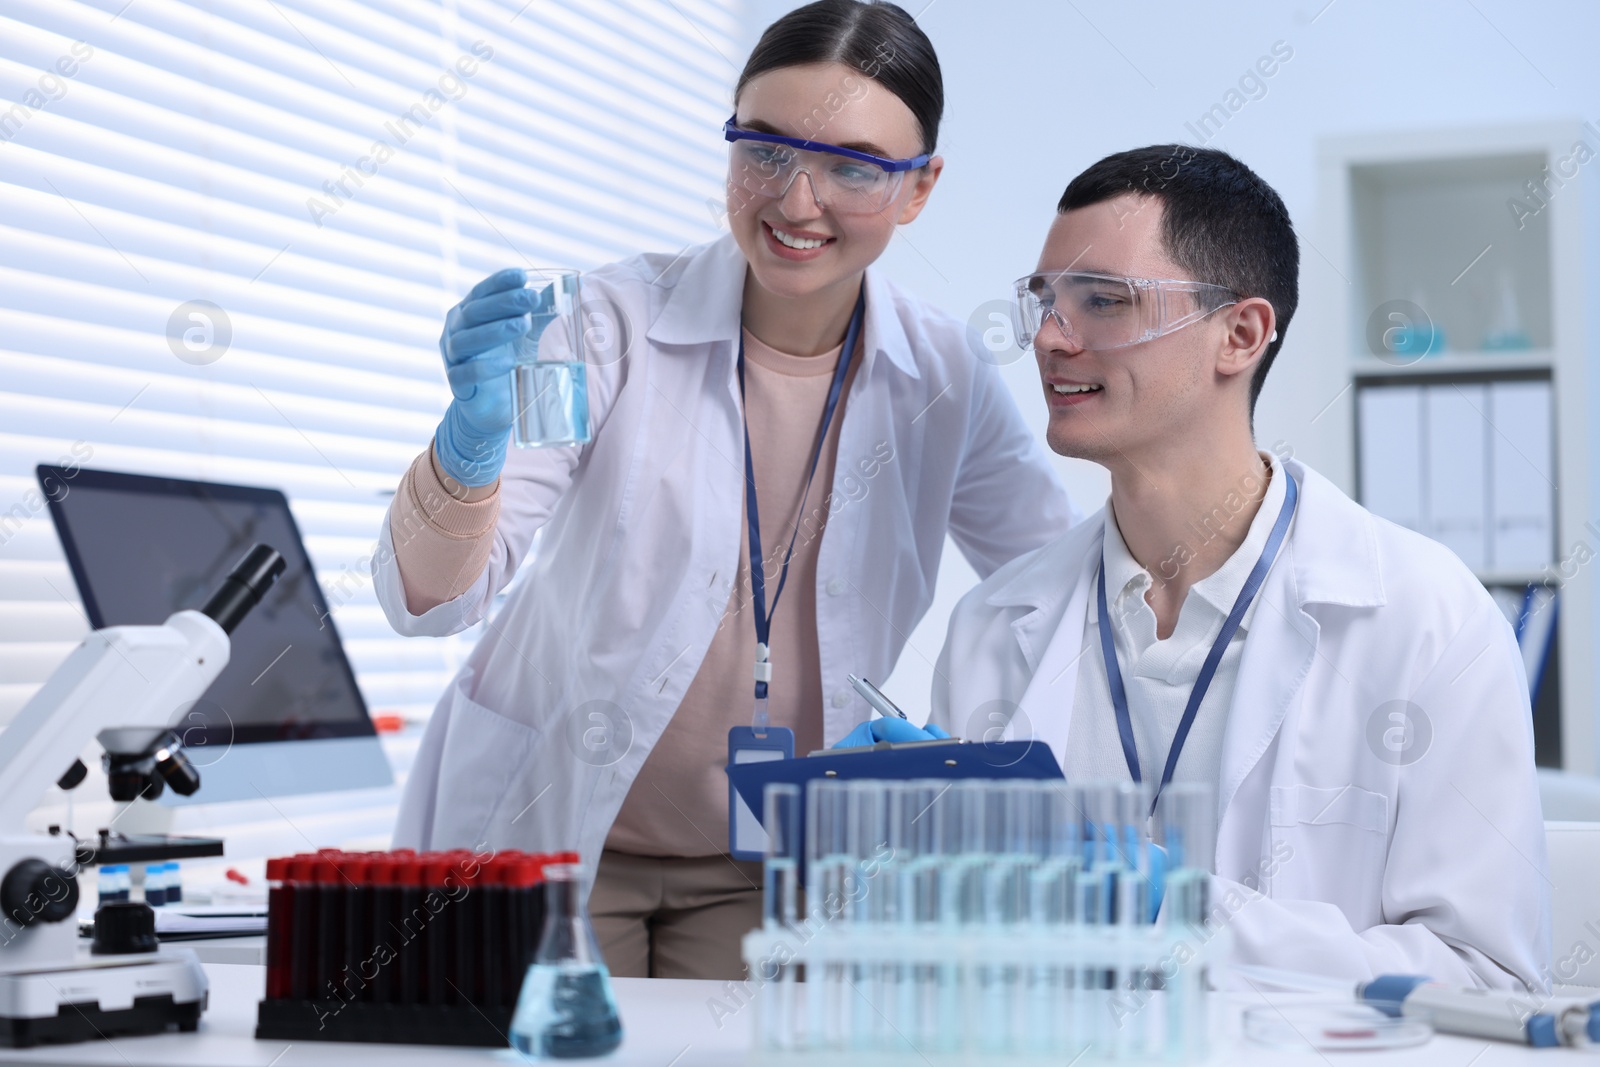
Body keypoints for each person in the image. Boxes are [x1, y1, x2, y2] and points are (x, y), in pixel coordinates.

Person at [374, 0, 1074, 981]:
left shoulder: (943, 376)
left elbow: (1061, 592)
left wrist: (967, 762)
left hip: (760, 867)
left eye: (852, 166)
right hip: (548, 827)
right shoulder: (610, 323)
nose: (796, 201)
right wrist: (468, 452)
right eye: (766, 150)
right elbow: (438, 598)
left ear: (918, 189)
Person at [931, 145, 1549, 991]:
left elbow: (1488, 978)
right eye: (1044, 302)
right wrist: (891, 842)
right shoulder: (993, 626)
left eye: (1102, 301)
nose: (1047, 338)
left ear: (1242, 335)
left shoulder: (1429, 618)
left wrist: (1174, 912)